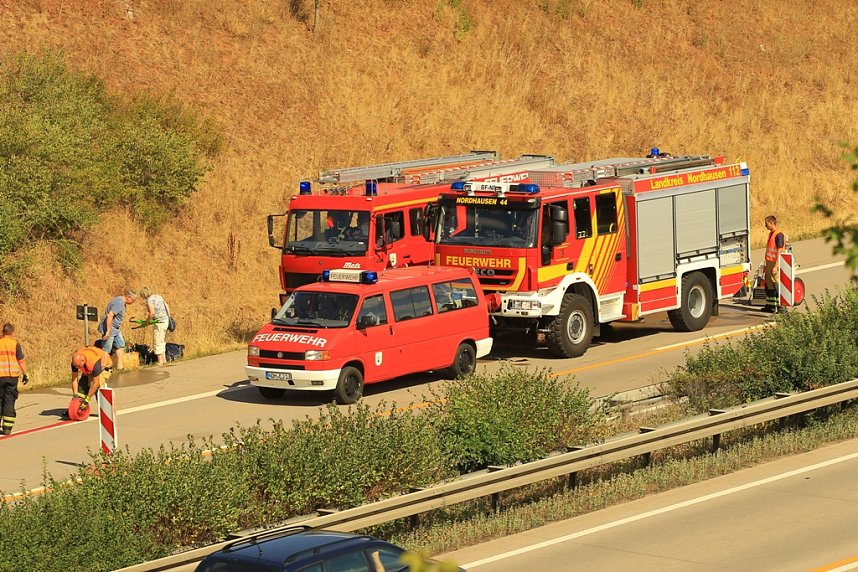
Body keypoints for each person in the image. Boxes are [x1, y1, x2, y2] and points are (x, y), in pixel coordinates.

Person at [98, 289, 137, 369]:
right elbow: (110, 316)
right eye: (133, 300)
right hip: (110, 328)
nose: (133, 302)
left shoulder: (121, 301)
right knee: (106, 349)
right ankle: (102, 368)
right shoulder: (119, 303)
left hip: (116, 329)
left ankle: (120, 366)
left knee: (120, 345)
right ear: (128, 297)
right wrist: (108, 331)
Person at [68, 345, 113, 415]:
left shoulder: (94, 363)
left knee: (98, 389)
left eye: (78, 366)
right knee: (82, 387)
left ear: (83, 361)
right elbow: (74, 379)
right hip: (89, 368)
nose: (77, 368)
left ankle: (105, 412)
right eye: (75, 366)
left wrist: (87, 399)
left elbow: (96, 383)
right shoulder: (76, 362)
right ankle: (76, 410)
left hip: (104, 368)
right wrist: (75, 394)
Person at [0, 323, 28, 436]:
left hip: (0, 376)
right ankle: (7, 428)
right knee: (9, 400)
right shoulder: (15, 344)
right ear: (11, 333)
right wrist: (26, 374)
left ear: (2, 332)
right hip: (12, 377)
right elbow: (20, 361)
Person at [140, 287, 170, 366]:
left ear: (143, 295)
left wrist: (147, 322)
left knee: (157, 341)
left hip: (159, 322)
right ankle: (164, 359)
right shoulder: (158, 296)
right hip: (166, 320)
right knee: (162, 340)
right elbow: (166, 305)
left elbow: (152, 313)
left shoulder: (149, 300)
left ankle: (160, 361)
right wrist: (169, 317)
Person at [763, 215, 786, 314]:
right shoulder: (771, 234)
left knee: (777, 284)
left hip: (775, 262)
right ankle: (770, 305)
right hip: (769, 262)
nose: (765, 226)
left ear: (771, 223)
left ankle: (781, 306)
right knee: (768, 283)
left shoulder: (779, 235)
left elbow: (779, 251)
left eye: (766, 223)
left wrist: (776, 266)